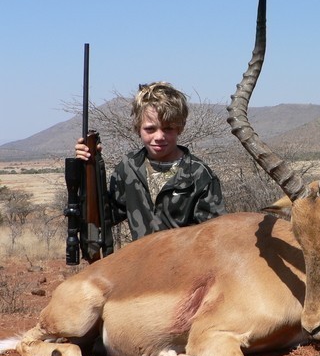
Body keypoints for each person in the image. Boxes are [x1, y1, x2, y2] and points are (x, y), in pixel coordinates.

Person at [75, 81, 225, 244]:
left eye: (168, 129)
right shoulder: (129, 166)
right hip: (141, 265)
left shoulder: (199, 174)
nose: (159, 137)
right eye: (150, 129)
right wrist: (88, 166)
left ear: (180, 128)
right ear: (137, 127)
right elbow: (105, 216)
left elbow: (214, 235)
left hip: (184, 266)